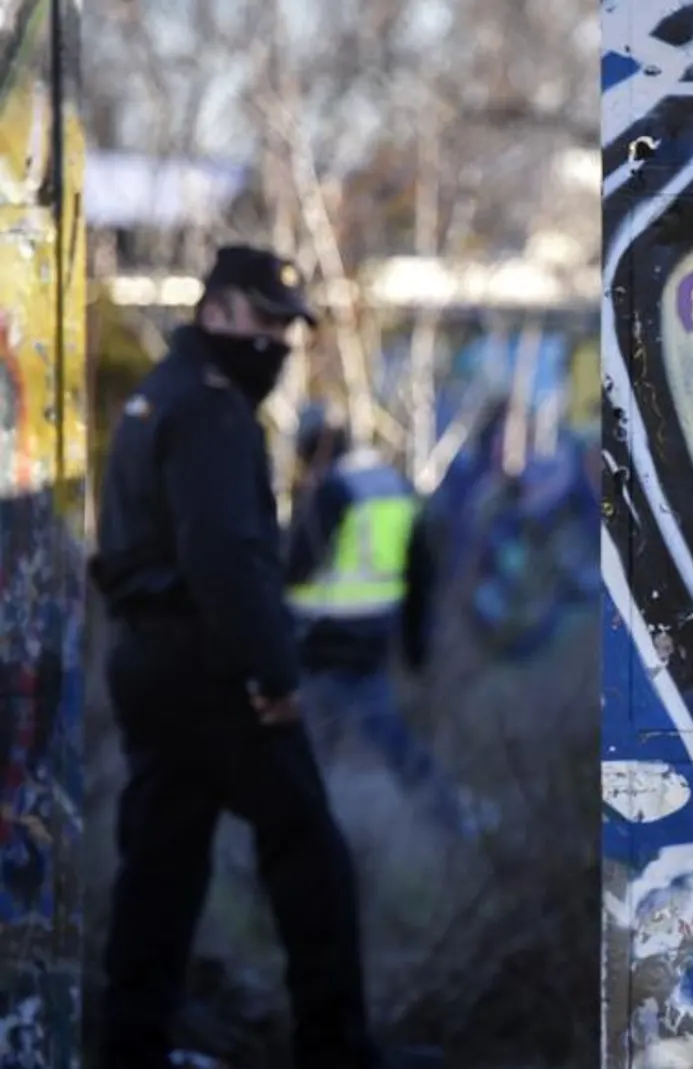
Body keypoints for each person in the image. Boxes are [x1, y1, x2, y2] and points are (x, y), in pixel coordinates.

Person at [89, 245, 384, 1069]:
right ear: (214, 311)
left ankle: (131, 1045)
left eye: (290, 325)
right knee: (310, 856)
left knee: (161, 865)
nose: (281, 342)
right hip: (215, 670)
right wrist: (275, 675)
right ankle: (339, 1051)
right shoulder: (213, 410)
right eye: (266, 320)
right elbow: (223, 557)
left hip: (149, 660)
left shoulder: (160, 396)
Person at [282, 405, 469, 835]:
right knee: (390, 739)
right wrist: (416, 646)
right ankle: (452, 821)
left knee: (300, 746)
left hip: (318, 638)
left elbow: (298, 568)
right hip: (373, 636)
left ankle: (303, 835)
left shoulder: (331, 490)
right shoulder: (394, 484)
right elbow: (420, 572)